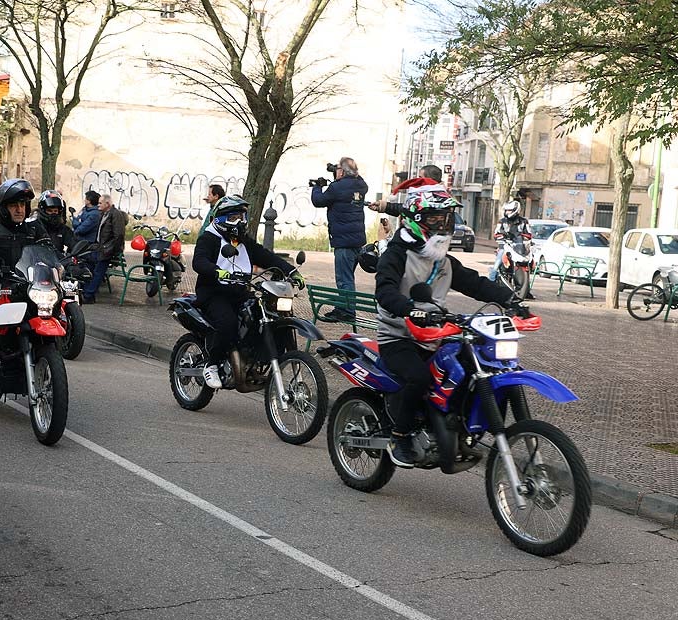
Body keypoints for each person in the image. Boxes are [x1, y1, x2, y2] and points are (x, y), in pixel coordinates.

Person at [374, 184, 527, 467]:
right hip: (398, 337)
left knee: (474, 369)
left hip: (436, 333)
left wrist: (511, 300)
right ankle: (401, 435)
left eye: (447, 218)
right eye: (436, 218)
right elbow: (385, 291)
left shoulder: (443, 260)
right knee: (418, 378)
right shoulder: (396, 255)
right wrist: (409, 309)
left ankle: (460, 429)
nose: (444, 225)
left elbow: (475, 283)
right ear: (416, 219)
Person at [192, 195, 304, 389]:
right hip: (213, 293)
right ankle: (212, 364)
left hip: (239, 291)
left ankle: (253, 356)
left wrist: (291, 271)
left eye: (243, 217)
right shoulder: (209, 238)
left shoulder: (243, 241)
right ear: (219, 219)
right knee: (227, 322)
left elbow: (266, 256)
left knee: (264, 315)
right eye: (235, 217)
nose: (241, 222)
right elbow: (199, 261)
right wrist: (216, 270)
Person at [0, 178, 49, 321]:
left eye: (22, 205)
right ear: (3, 208)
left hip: (28, 289)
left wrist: (65, 265)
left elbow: (49, 250)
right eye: (13, 205)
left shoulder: (34, 228)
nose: (19, 210)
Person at [311, 157, 369, 322]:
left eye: (337, 169)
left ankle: (347, 312)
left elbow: (318, 201)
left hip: (343, 241)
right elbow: (353, 179)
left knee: (344, 279)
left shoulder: (337, 187)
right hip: (357, 240)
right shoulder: (361, 185)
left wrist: (317, 187)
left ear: (342, 171)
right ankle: (343, 307)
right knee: (348, 277)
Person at [81, 194, 127, 304]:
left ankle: (88, 294)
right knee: (86, 263)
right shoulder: (104, 214)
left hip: (107, 249)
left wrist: (112, 249)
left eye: (100, 203)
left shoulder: (116, 215)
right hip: (100, 247)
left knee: (98, 271)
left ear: (107, 204)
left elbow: (119, 235)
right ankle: (86, 291)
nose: (98, 205)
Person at [489, 201, 532, 281]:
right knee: (496, 265)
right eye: (506, 210)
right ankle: (490, 283)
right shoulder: (502, 221)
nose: (507, 212)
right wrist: (501, 237)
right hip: (505, 246)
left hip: (519, 246)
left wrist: (525, 237)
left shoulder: (524, 222)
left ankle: (526, 281)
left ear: (516, 210)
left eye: (509, 210)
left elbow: (529, 234)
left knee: (530, 260)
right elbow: (496, 234)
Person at [36, 189, 75, 255]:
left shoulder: (63, 229)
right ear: (42, 210)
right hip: (36, 262)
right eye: (50, 211)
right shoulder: (34, 227)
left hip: (57, 262)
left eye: (55, 211)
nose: (53, 214)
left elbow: (73, 243)